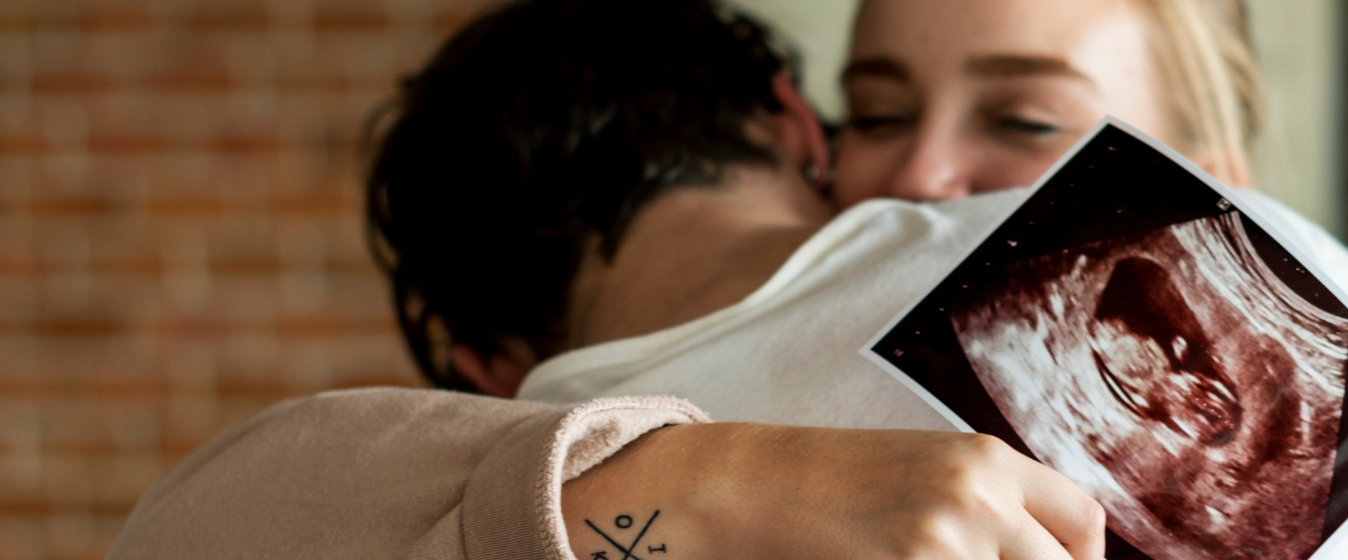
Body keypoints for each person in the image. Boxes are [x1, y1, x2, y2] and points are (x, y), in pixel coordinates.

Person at [111, 2, 1103, 559]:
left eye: (1024, 121)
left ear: (486, 364)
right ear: (799, 126)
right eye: (878, 117)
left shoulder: (361, 472)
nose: (927, 174)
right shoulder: (1130, 246)